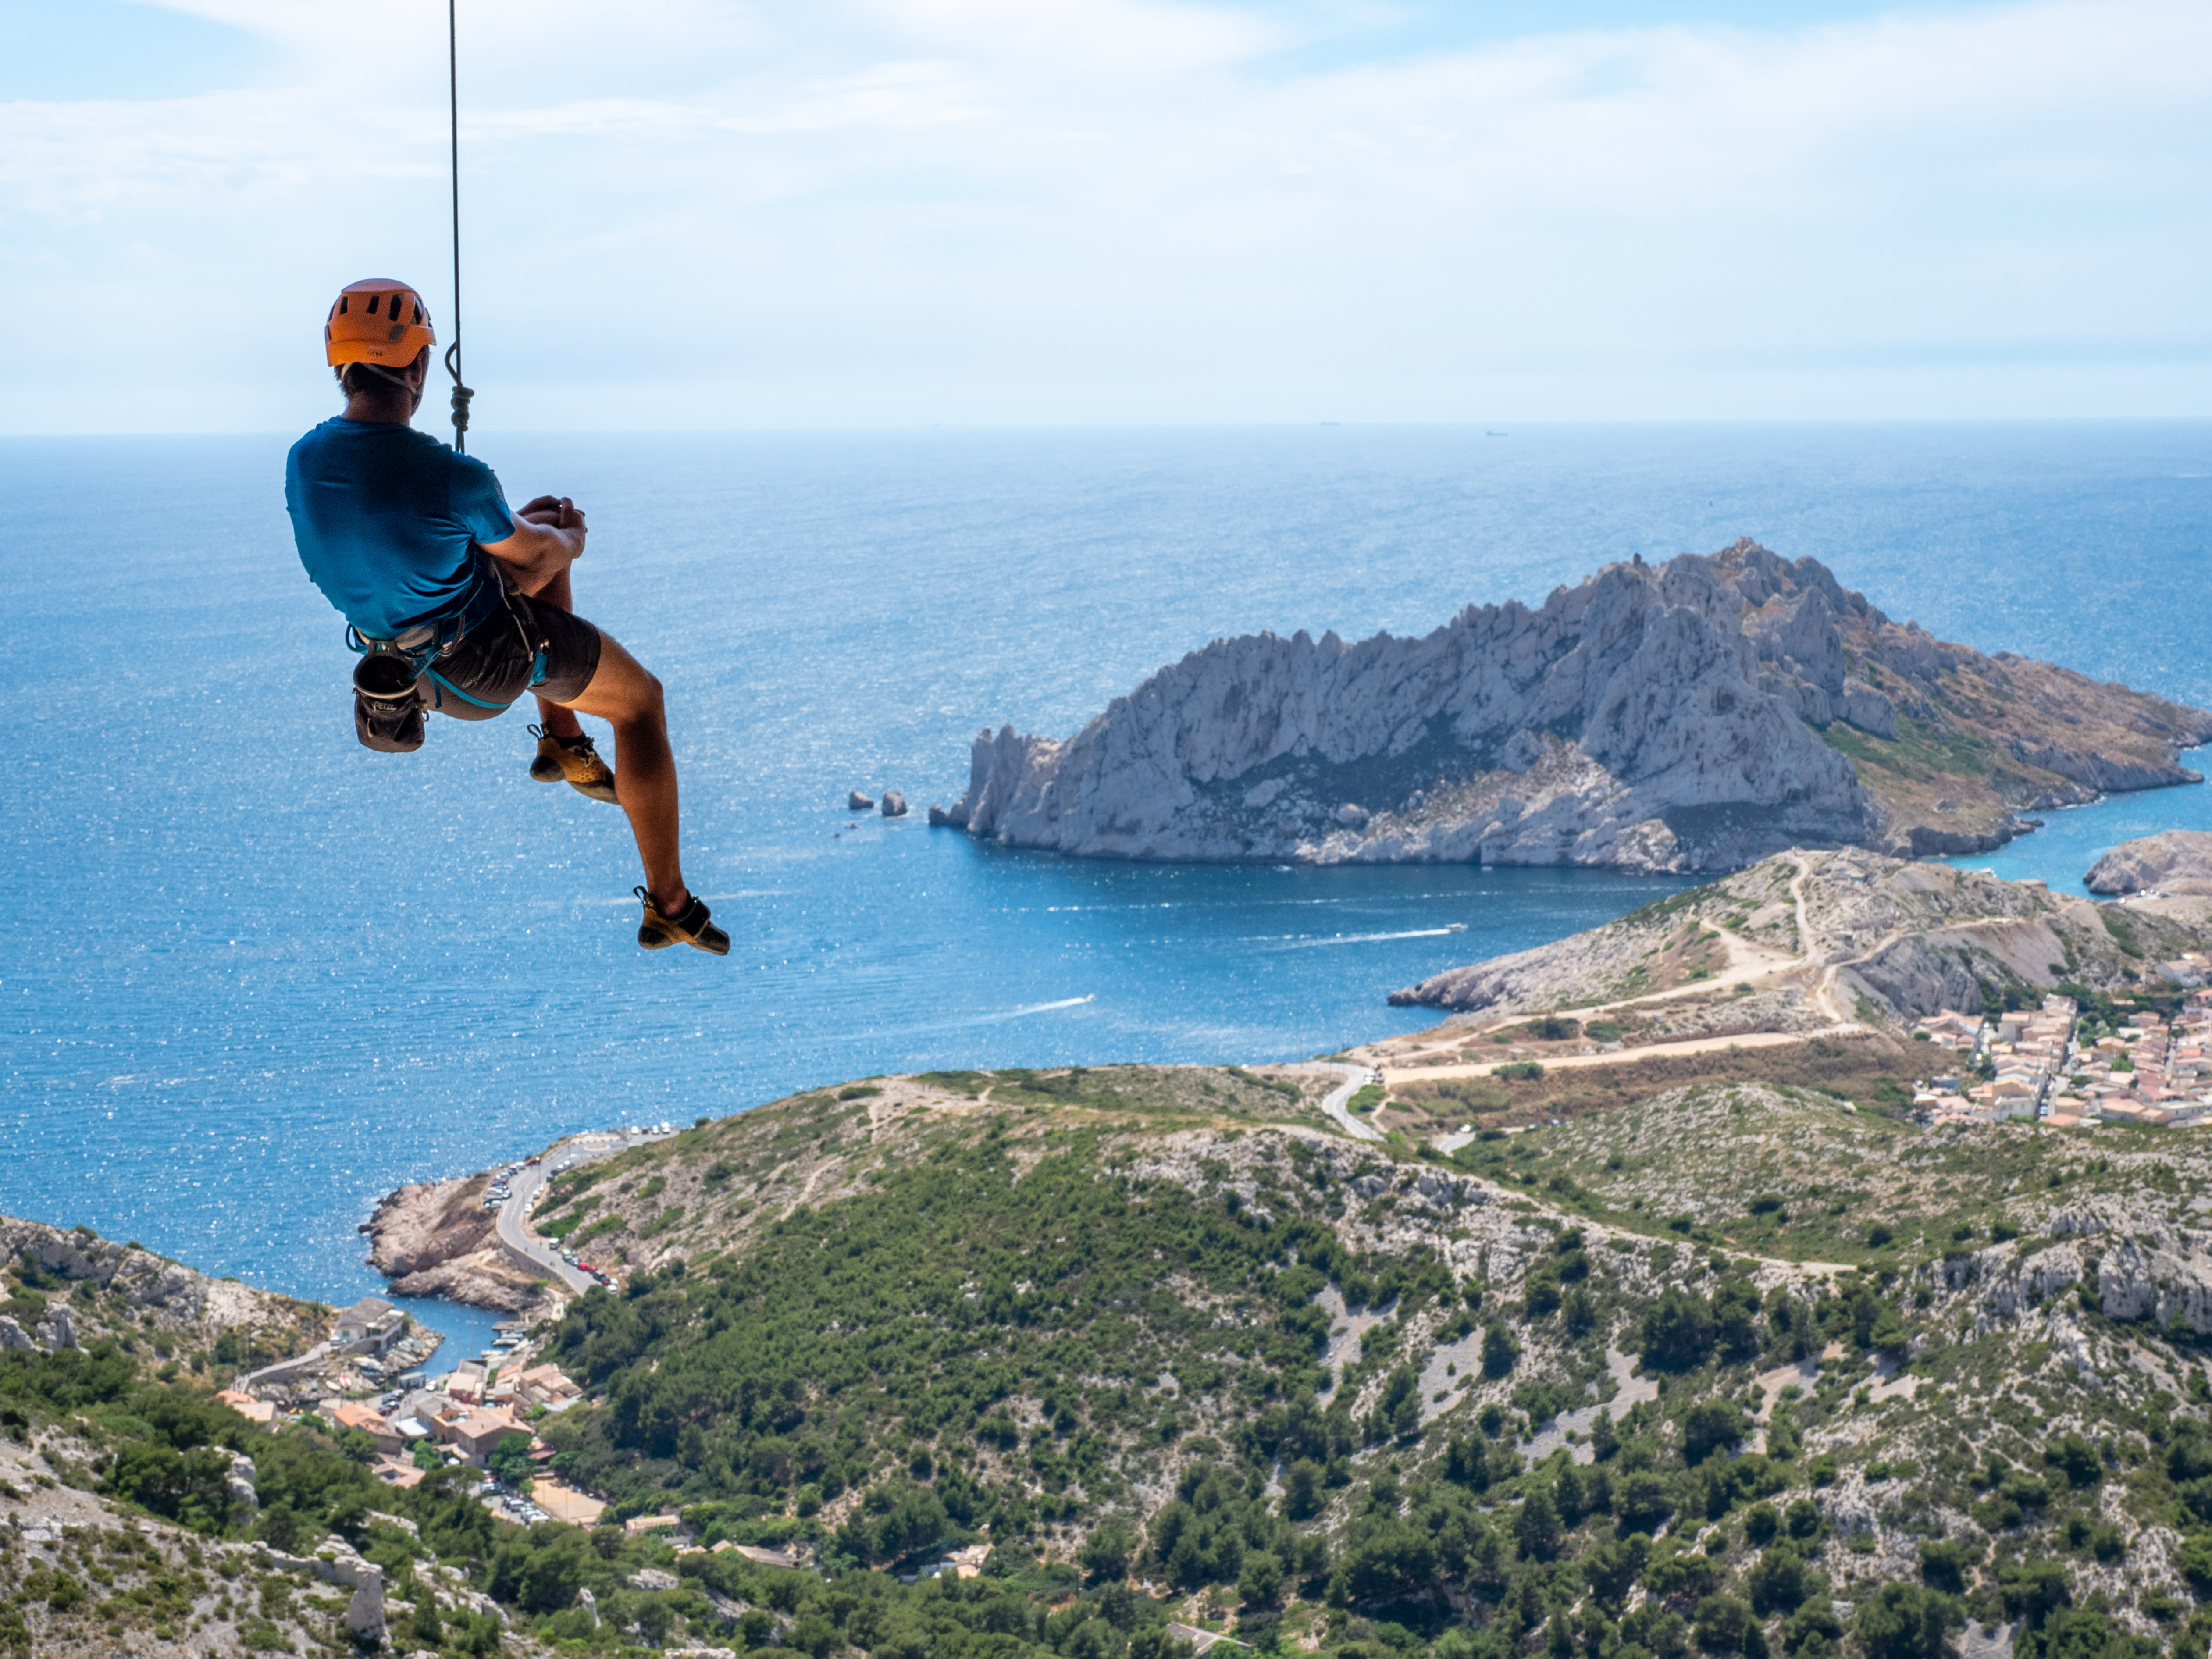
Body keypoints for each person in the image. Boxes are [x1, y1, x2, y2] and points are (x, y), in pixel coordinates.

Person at [285, 277, 728, 955]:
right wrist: (573, 538)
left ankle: (563, 740)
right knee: (640, 703)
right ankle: (669, 903)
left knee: (534, 518)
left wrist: (532, 533)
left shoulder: (305, 459)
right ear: (418, 366)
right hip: (480, 667)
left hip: (397, 669)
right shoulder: (452, 476)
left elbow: (401, 531)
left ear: (340, 366)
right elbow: (539, 552)